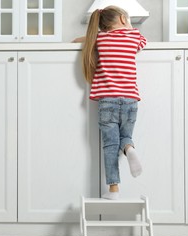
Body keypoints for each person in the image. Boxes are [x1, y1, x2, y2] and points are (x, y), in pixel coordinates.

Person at [77, 6, 147, 200]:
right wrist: (130, 25)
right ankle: (129, 149)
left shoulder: (98, 39)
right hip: (130, 100)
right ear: (123, 19)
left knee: (110, 145)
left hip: (107, 100)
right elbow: (143, 42)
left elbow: (80, 41)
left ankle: (114, 190)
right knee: (125, 137)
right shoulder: (134, 37)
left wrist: (81, 39)